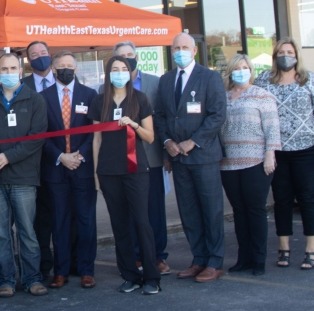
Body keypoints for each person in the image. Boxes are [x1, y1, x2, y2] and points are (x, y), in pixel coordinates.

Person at [0, 53, 48, 298]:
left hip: (24, 177)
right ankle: (5, 279)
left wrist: (9, 157)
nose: (8, 72)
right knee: (1, 233)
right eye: (3, 68)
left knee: (27, 231)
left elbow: (36, 139)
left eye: (12, 67)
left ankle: (32, 279)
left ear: (20, 69)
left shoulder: (34, 99)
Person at [154, 32, 227, 283]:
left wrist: (192, 141)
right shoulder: (165, 80)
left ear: (194, 51)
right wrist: (167, 143)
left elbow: (217, 115)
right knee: (189, 212)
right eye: (176, 48)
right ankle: (199, 259)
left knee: (211, 210)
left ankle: (215, 262)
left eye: (185, 47)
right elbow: (161, 116)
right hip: (178, 158)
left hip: (203, 156)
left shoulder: (210, 77)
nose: (180, 51)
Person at [255, 37, 314, 270]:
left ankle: (311, 249)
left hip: (307, 150)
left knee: (308, 198)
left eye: (289, 51)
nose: (285, 56)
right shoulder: (264, 81)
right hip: (277, 151)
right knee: (282, 200)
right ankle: (284, 248)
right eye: (280, 52)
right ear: (274, 56)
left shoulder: (308, 80)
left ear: (296, 55)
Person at [89, 56, 160, 295]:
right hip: (109, 171)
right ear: (108, 74)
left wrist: (135, 125)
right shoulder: (100, 102)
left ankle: (151, 276)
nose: (119, 73)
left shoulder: (140, 99)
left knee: (142, 222)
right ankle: (129, 274)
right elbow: (96, 140)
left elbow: (150, 137)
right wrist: (97, 175)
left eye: (124, 69)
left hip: (136, 170)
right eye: (115, 69)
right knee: (119, 225)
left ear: (131, 73)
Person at [39, 50, 98, 290]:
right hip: (56, 169)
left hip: (82, 167)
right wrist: (61, 156)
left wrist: (79, 156)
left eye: (70, 66)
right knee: (59, 221)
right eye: (61, 65)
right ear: (53, 69)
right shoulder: (41, 98)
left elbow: (95, 131)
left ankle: (86, 270)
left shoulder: (90, 94)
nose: (66, 69)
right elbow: (40, 134)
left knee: (86, 220)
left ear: (76, 69)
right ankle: (60, 271)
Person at [113, 41, 171, 275]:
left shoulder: (155, 84)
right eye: (121, 57)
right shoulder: (105, 90)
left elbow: (164, 120)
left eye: (130, 55)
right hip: (121, 161)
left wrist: (167, 154)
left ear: (137, 57)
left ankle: (158, 257)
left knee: (153, 210)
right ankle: (136, 256)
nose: (126, 60)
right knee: (128, 211)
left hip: (151, 157)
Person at [219, 54, 281, 276]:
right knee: (239, 211)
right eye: (237, 68)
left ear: (251, 70)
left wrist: (270, 154)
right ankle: (243, 258)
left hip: (256, 161)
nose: (241, 71)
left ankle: (258, 260)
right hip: (228, 163)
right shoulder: (223, 97)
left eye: (245, 67)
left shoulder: (263, 95)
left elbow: (272, 128)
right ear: (230, 72)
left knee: (255, 210)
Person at [21, 40, 55, 282]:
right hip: (32, 163)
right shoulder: (22, 87)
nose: (40, 57)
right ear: (28, 60)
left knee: (65, 215)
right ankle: (43, 266)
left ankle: (70, 263)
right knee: (38, 219)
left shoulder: (65, 82)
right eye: (34, 54)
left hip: (62, 161)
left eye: (43, 53)